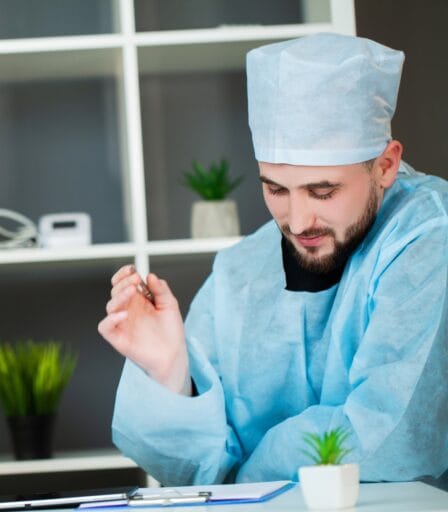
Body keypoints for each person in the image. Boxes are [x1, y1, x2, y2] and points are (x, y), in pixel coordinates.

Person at [99, 32, 448, 485]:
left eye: (323, 191)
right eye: (276, 189)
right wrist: (171, 372)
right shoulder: (239, 272)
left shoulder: (429, 235)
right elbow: (197, 476)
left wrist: (252, 477)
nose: (298, 221)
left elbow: (389, 432)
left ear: (384, 165)